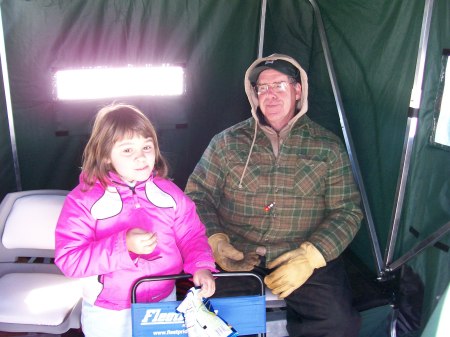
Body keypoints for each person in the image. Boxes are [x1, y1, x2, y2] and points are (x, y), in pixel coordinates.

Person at [185, 54, 363, 337]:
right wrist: (217, 242)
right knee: (212, 320)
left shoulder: (327, 146)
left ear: (298, 90)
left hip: (302, 256)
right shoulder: (226, 142)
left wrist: (310, 256)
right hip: (238, 256)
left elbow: (348, 210)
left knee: (338, 323)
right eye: (262, 88)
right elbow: (197, 197)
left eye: (279, 85)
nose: (270, 95)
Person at [54, 103, 217, 337]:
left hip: (163, 301)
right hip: (109, 311)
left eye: (147, 147)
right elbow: (70, 259)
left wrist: (201, 266)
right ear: (105, 156)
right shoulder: (83, 200)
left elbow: (191, 236)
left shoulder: (170, 194)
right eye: (127, 150)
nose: (141, 157)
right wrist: (124, 246)